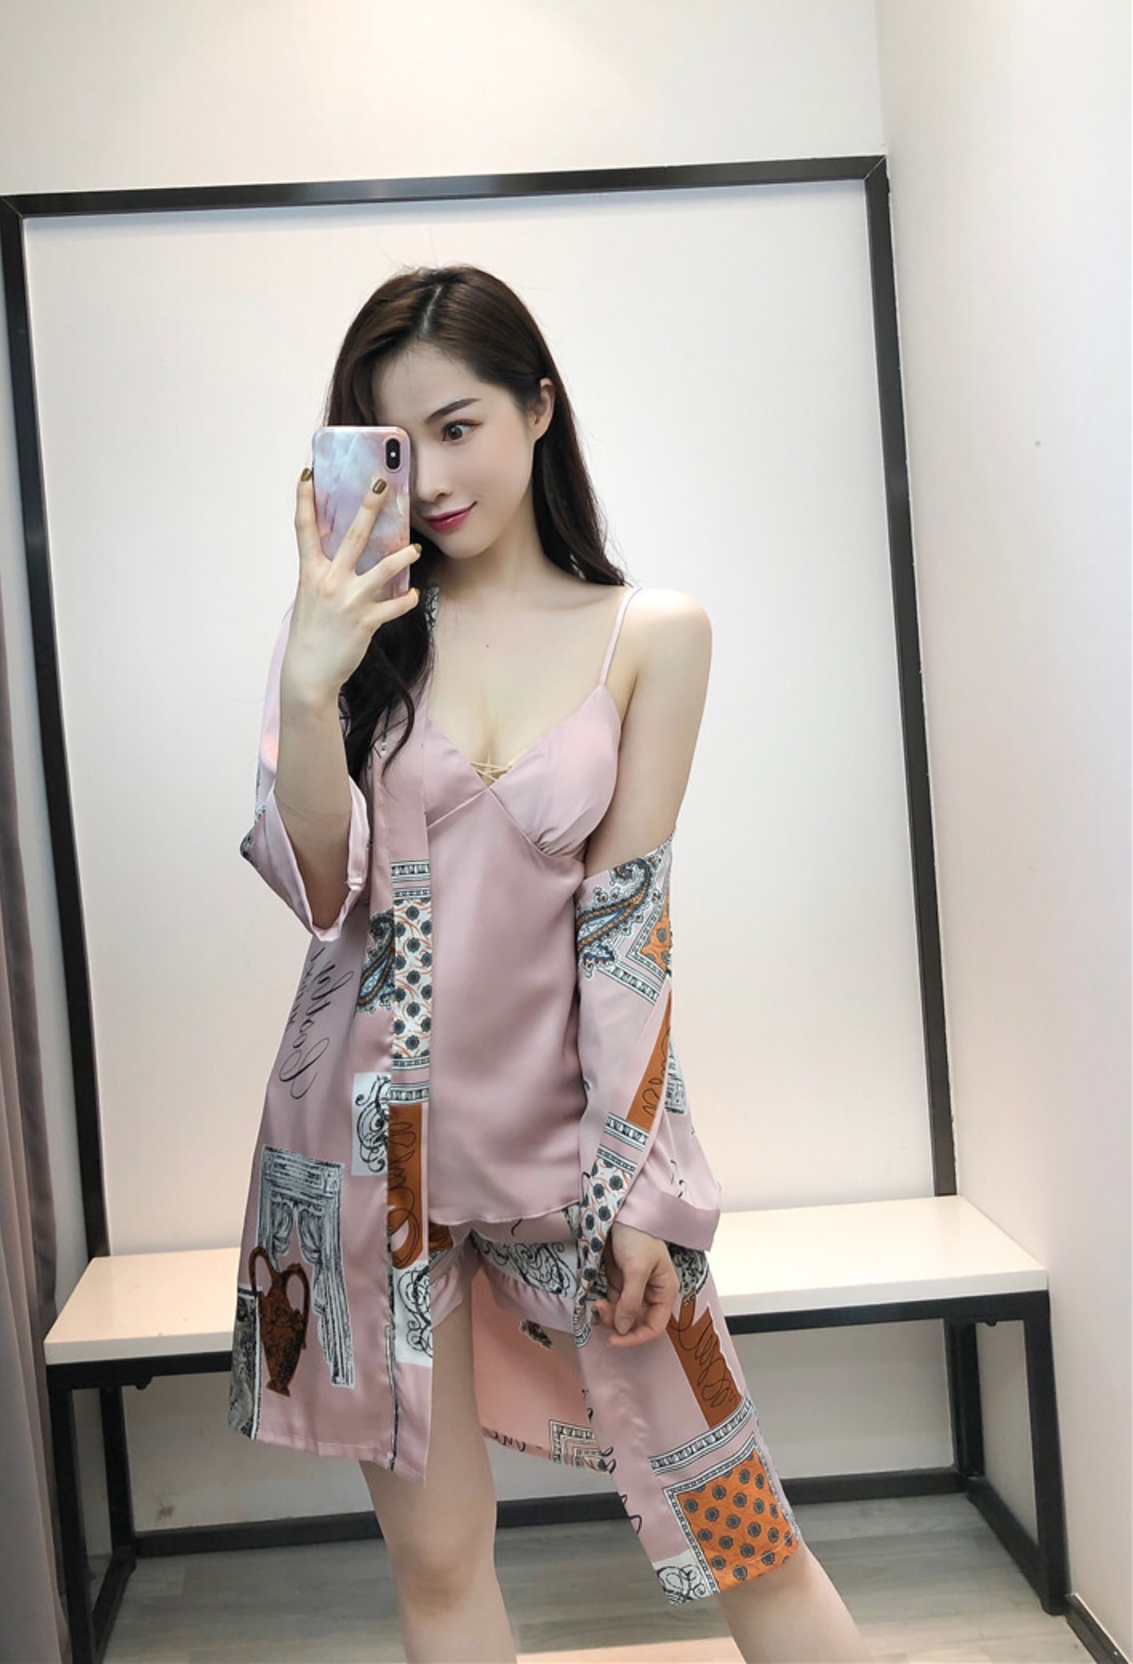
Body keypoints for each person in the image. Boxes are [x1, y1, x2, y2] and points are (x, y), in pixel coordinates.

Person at [228, 265, 871, 1664]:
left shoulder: (654, 636)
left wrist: (645, 1190)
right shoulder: (346, 635)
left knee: (741, 1524)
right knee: (439, 1562)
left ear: (537, 406)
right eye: (396, 445)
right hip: (371, 1159)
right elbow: (318, 888)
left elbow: (628, 933)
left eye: (458, 427)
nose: (432, 479)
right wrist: (310, 678)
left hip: (576, 1155)